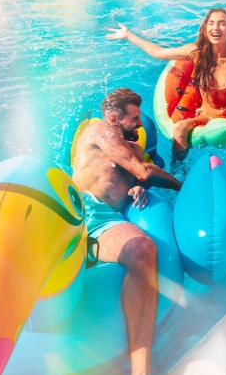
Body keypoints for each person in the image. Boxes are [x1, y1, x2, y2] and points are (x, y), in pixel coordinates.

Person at [72, 88, 183, 375]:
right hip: (80, 212)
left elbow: (139, 176)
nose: (139, 124)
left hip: (104, 220)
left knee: (142, 250)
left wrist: (137, 186)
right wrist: (183, 188)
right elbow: (145, 171)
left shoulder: (129, 149)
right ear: (113, 118)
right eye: (134, 118)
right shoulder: (101, 130)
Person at [106, 8, 226, 155]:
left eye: (221, 24)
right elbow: (158, 52)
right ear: (205, 28)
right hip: (207, 116)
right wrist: (128, 34)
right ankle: (180, 174)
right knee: (179, 129)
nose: (216, 28)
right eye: (211, 23)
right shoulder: (195, 52)